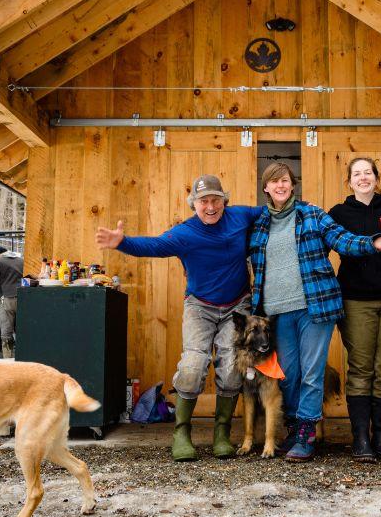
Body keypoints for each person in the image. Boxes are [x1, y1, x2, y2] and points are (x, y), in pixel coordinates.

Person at [95, 174, 263, 462]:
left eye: (215, 200)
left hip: (237, 306)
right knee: (192, 366)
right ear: (193, 204)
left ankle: (221, 434)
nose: (210, 206)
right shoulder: (186, 233)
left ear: (225, 200)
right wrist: (121, 242)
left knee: (233, 368)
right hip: (200, 306)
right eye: (203, 201)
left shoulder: (241, 216)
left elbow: (275, 210)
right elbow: (153, 246)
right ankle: (181, 433)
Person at [248, 162, 381, 463]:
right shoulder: (259, 225)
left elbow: (341, 239)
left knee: (311, 373)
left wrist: (371, 242)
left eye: (286, 181)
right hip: (277, 313)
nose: (280, 186)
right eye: (274, 182)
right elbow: (230, 251)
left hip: (314, 307)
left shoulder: (313, 215)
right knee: (289, 375)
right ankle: (294, 427)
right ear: (265, 188)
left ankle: (306, 433)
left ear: (293, 185)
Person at [328, 157, 381, 462]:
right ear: (349, 181)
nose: (362, 178)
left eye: (367, 172)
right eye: (356, 174)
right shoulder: (338, 213)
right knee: (361, 368)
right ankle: (360, 439)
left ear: (376, 177)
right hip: (355, 300)